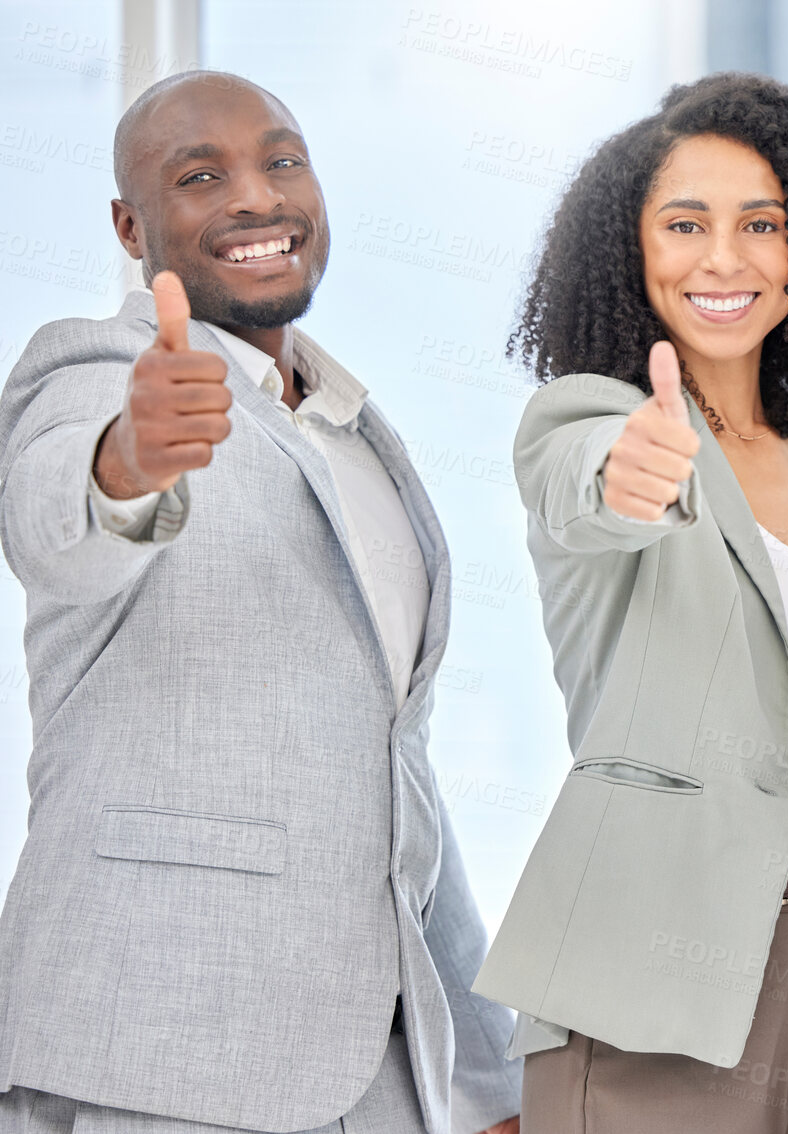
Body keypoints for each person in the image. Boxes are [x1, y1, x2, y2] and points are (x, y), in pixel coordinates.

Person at [0, 72, 519, 1133]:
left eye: (281, 161)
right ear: (128, 224)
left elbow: (395, 782)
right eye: (201, 176)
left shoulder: (357, 434)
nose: (255, 198)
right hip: (153, 1062)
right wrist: (130, 459)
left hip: (380, 1075)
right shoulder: (99, 371)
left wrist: (483, 1073)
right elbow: (54, 522)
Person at [469, 73, 788, 1134]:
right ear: (629, 253)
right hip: (654, 979)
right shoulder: (588, 417)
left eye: (760, 224)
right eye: (683, 224)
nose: (724, 258)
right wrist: (632, 471)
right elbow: (587, 486)